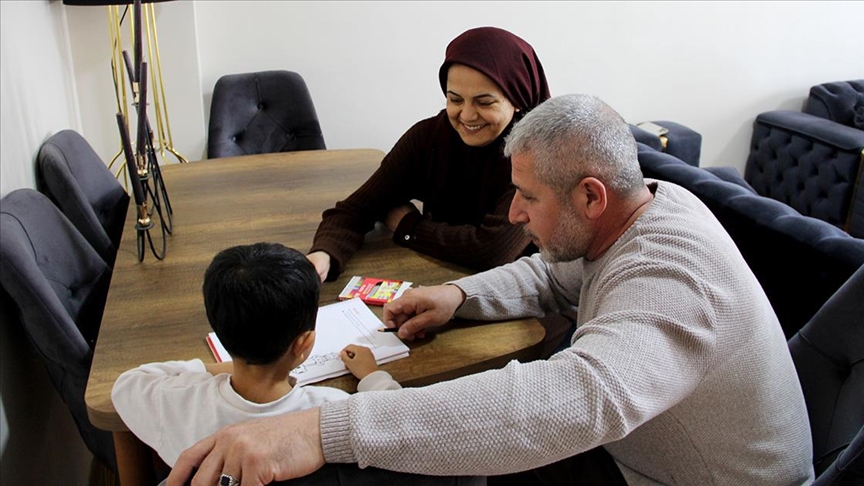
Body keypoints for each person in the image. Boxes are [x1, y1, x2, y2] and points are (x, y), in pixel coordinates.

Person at [167, 94, 815, 486]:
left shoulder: (674, 281)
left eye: (528, 198)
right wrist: (459, 297)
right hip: (641, 456)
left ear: (592, 195)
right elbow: (550, 273)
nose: (514, 216)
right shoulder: (646, 208)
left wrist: (322, 430)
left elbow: (575, 398)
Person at [111, 242, 400, 469]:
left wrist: (224, 366)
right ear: (304, 343)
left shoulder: (178, 402)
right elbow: (397, 420)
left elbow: (127, 384)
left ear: (220, 334)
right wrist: (373, 375)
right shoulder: (333, 411)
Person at [306, 26, 550, 283]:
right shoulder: (429, 138)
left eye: (484, 102)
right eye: (455, 99)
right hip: (441, 281)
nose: (466, 115)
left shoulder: (536, 155)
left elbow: (491, 250)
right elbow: (355, 210)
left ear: (519, 99)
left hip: (526, 301)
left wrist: (408, 226)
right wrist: (323, 256)